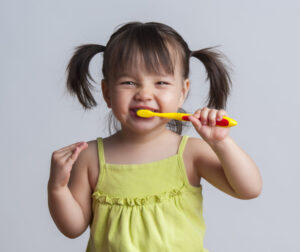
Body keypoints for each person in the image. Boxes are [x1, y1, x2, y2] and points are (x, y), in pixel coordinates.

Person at [47, 21, 262, 252]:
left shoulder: (190, 153)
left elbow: (248, 189)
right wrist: (57, 189)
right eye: (129, 82)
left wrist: (222, 143)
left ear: (182, 92)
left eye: (160, 82)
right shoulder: (89, 158)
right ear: (108, 93)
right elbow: (73, 228)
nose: (144, 94)